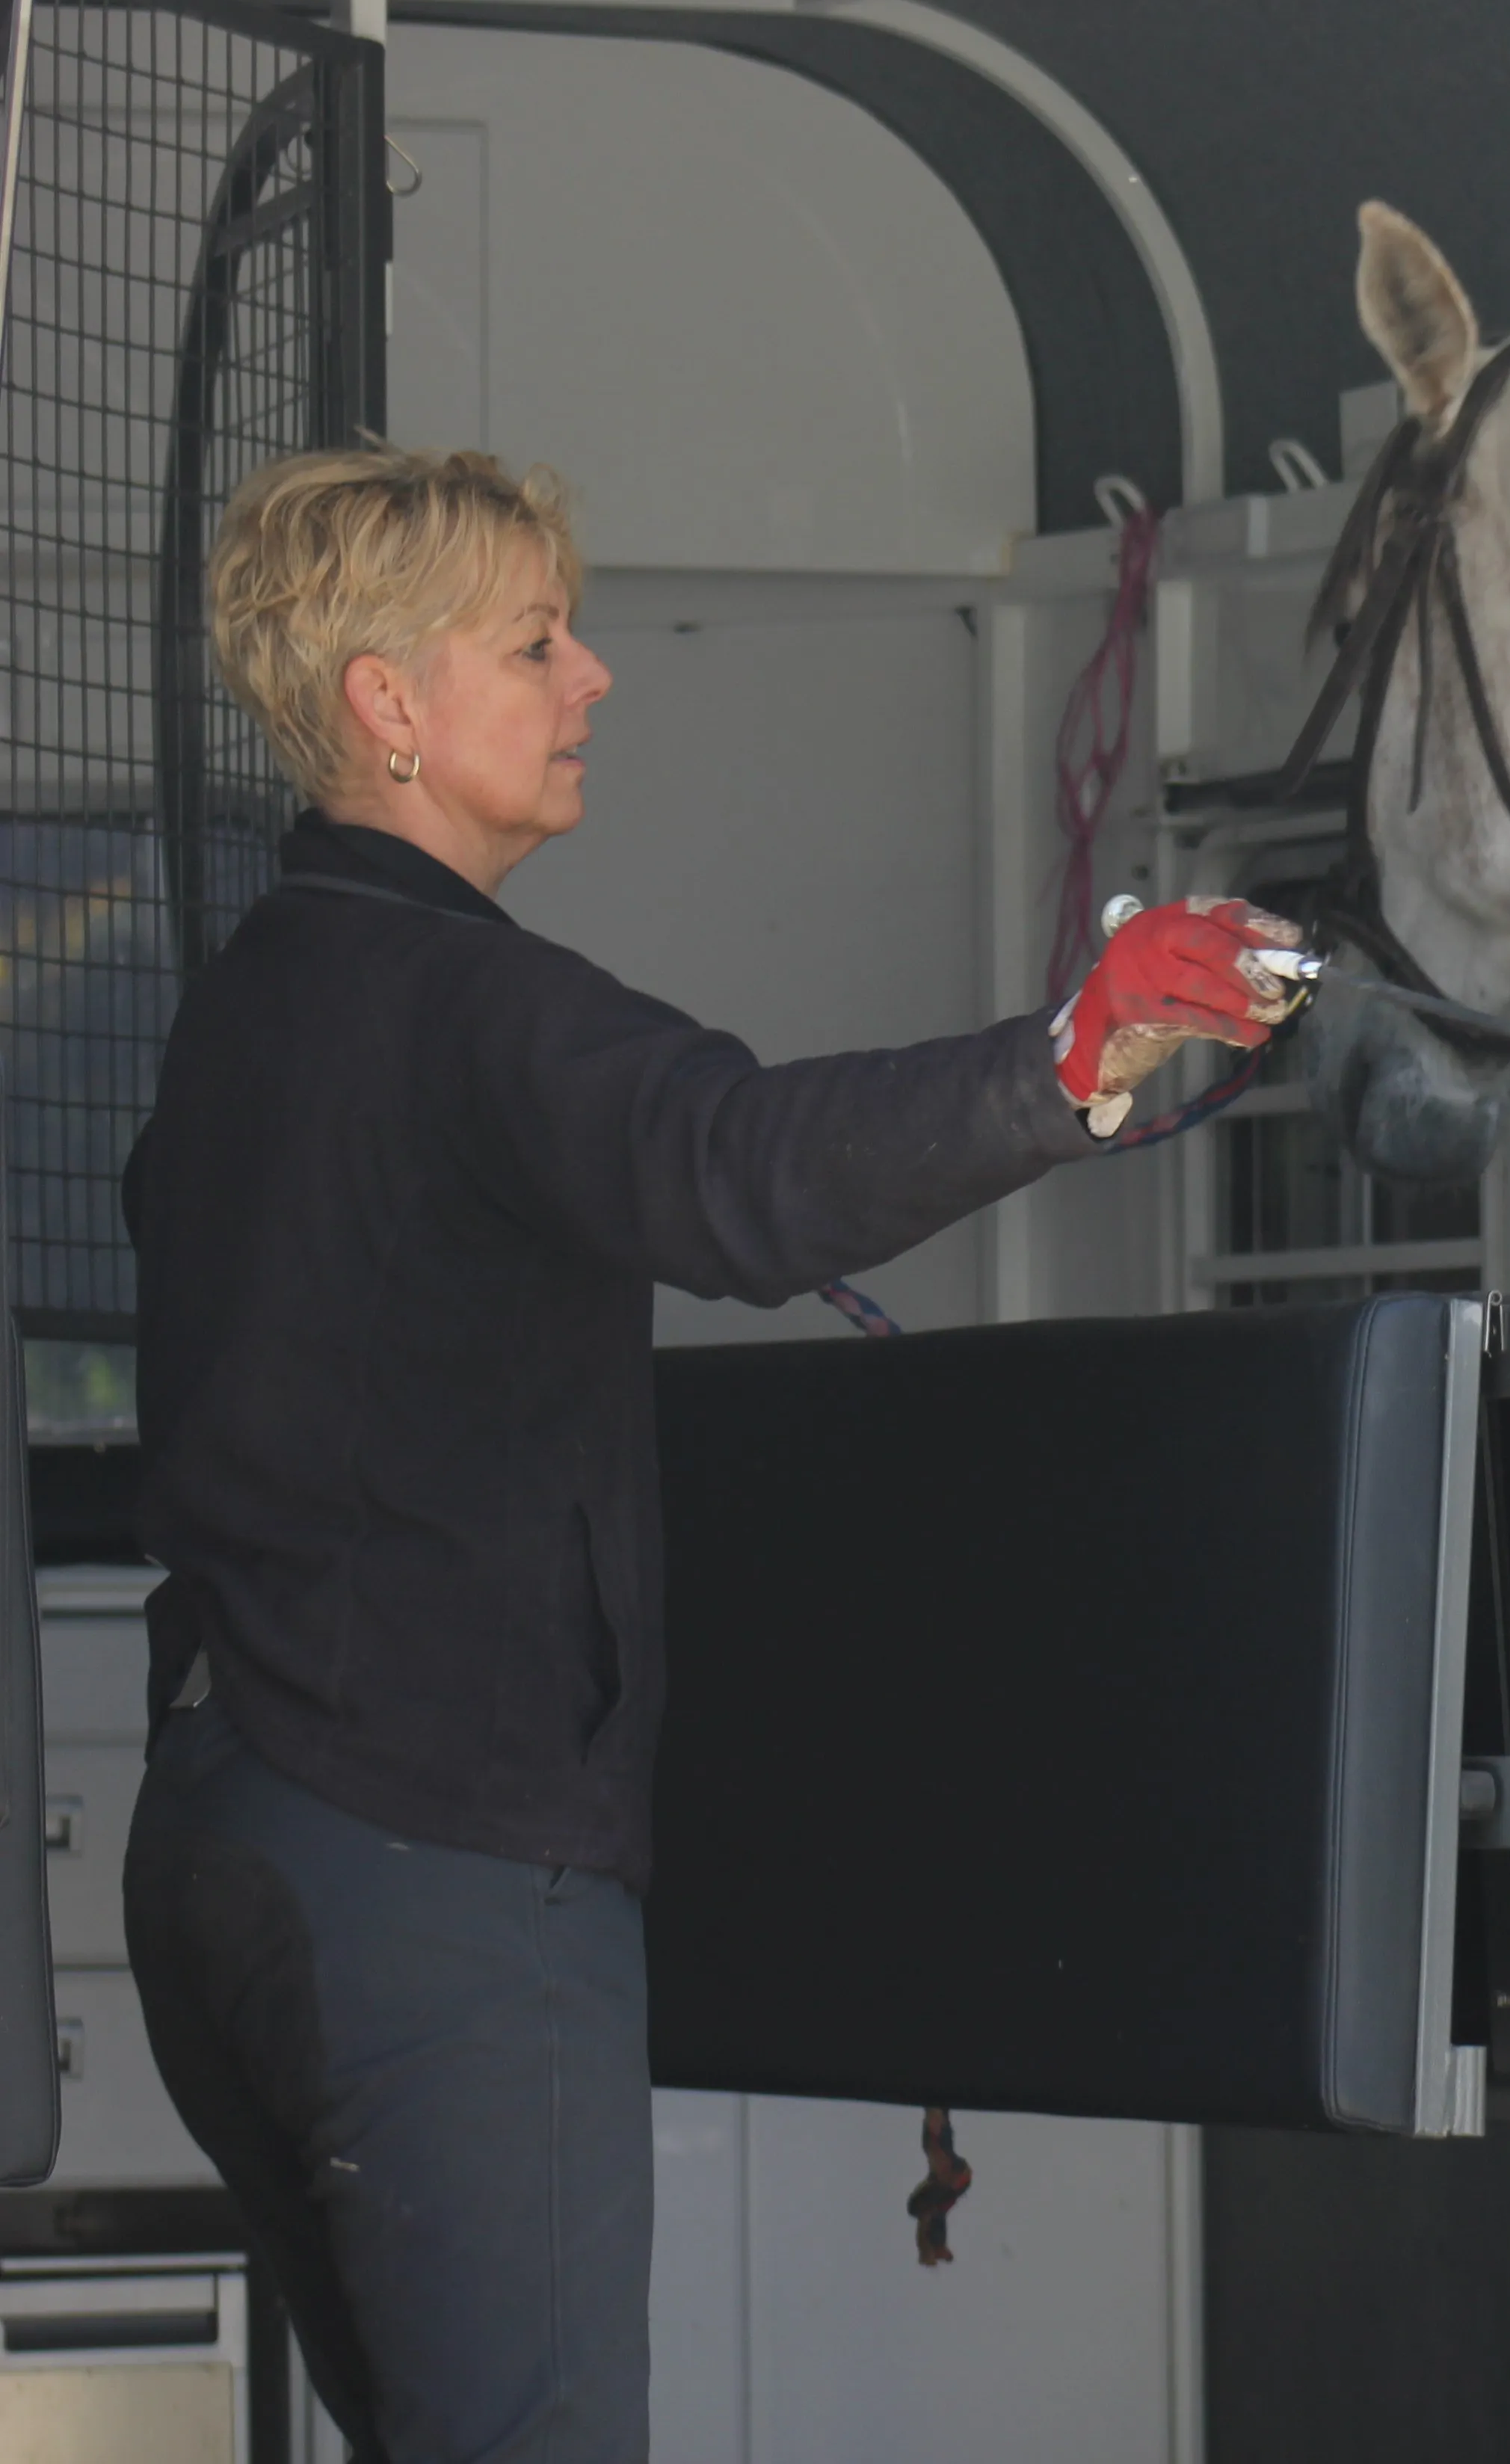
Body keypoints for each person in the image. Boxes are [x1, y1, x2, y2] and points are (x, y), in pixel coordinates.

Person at [117, 444, 1289, 2463]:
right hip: (434, 1886)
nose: (594, 678)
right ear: (387, 707)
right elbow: (738, 1174)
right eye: (534, 642)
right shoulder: (467, 1005)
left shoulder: (253, 1006)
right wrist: (1069, 1059)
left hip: (226, 1843)